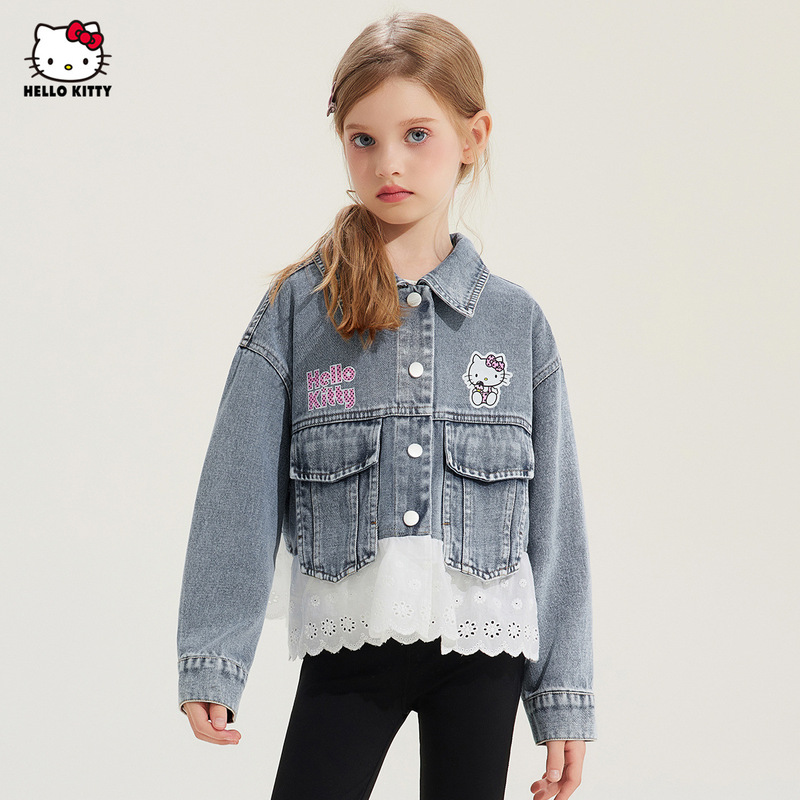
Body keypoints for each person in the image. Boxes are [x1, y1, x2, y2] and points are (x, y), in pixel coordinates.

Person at [176, 11, 596, 800]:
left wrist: (563, 694)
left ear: (473, 137)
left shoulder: (517, 323)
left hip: (484, 652)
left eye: (417, 135)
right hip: (350, 645)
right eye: (363, 139)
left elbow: (557, 524)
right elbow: (237, 490)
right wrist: (214, 653)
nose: (388, 163)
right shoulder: (301, 311)